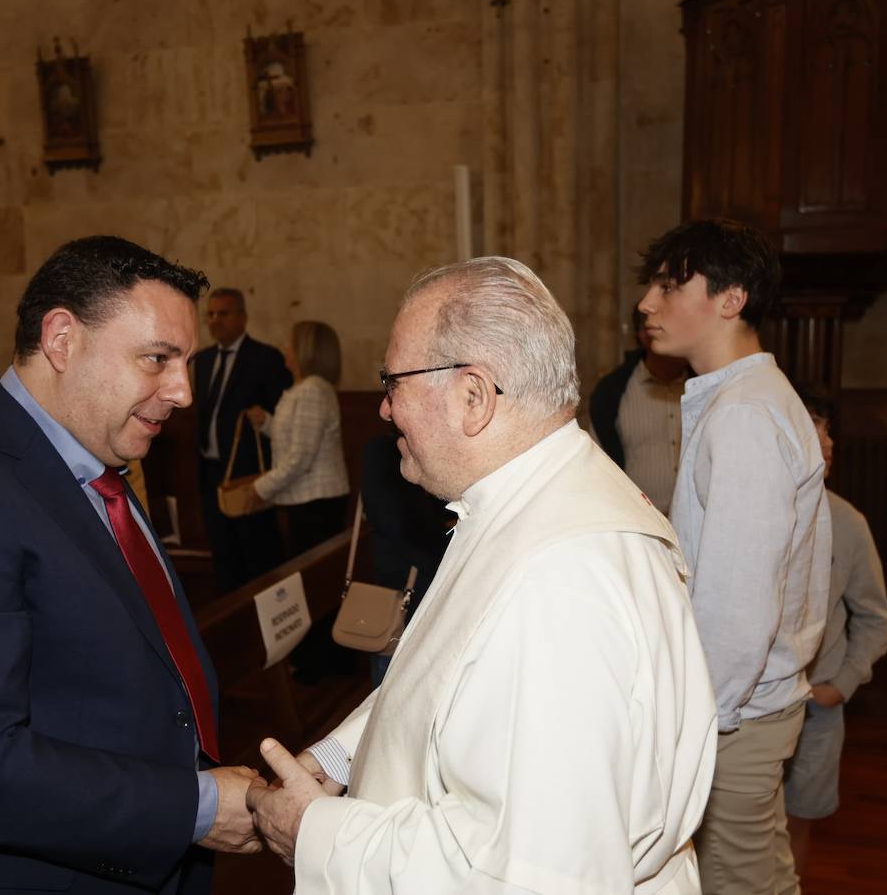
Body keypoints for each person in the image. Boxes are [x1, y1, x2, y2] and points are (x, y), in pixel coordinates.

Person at [246, 256, 718, 894]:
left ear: (472, 396)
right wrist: (341, 757)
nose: (385, 411)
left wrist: (316, 832)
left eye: (393, 382)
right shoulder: (533, 502)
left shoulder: (559, 582)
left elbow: (527, 876)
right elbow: (449, 676)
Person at [0, 237, 265, 894]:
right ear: (61, 339)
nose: (181, 392)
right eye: (158, 359)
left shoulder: (100, 468)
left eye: (188, 364)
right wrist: (195, 807)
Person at [637, 218, 831, 895]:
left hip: (733, 717)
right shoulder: (738, 400)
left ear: (731, 298)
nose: (646, 304)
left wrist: (695, 726)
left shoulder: (745, 414)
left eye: (669, 285)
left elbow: (739, 609)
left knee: (742, 884)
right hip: (742, 707)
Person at [777, 389, 887, 887]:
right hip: (756, 704)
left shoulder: (848, 523)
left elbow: (875, 616)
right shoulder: (756, 515)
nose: (828, 443)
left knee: (799, 818)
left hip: (818, 707)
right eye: (813, 428)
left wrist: (842, 683)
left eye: (828, 430)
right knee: (745, 824)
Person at [193, 287, 291, 592]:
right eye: (210, 314)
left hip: (250, 475)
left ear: (243, 318)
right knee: (223, 555)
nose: (214, 320)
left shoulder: (265, 357)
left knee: (258, 555)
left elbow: (282, 418)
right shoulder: (203, 360)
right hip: (211, 473)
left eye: (223, 313)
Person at [244, 320, 350, 556]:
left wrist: (261, 488)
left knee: (313, 578)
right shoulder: (307, 388)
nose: (285, 348)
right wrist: (266, 423)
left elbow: (301, 457)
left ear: (306, 350)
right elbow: (298, 439)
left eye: (290, 344)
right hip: (310, 501)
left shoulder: (311, 390)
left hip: (316, 503)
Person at [358, 432, 452, 686]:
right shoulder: (384, 449)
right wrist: (445, 557)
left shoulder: (421, 441)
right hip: (406, 571)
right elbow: (395, 521)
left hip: (418, 566)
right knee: (393, 666)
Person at [589, 305, 689, 513]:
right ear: (644, 334)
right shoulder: (612, 391)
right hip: (640, 524)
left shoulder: (704, 386)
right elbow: (598, 468)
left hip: (697, 522)